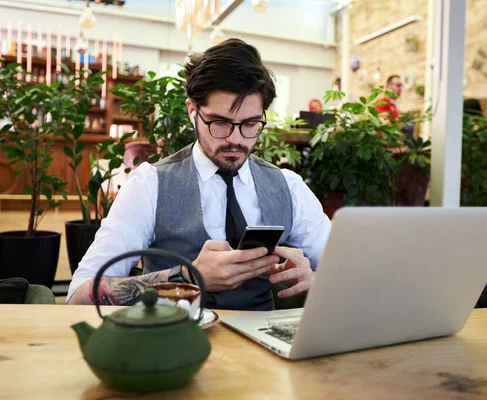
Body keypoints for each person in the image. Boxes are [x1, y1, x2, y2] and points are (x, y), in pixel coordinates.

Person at [67, 38, 331, 311]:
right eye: (220, 122)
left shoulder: (288, 186)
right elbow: (78, 294)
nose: (235, 139)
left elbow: (346, 272)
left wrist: (316, 279)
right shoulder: (151, 184)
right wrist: (187, 276)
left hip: (265, 346)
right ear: (192, 111)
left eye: (250, 124)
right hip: (177, 341)